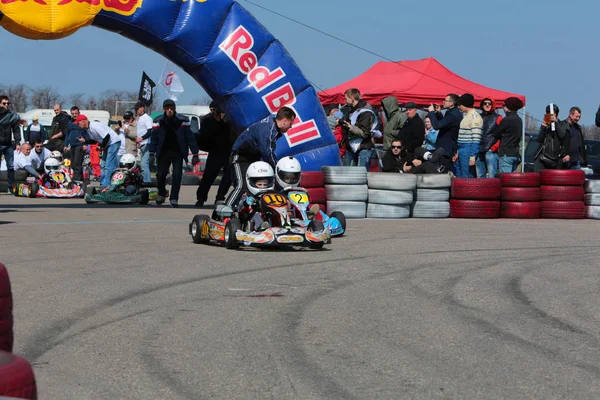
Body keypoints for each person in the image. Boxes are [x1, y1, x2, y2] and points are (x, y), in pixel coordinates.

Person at [224, 106, 296, 211]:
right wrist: (277, 169)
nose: (291, 127)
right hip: (240, 157)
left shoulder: (272, 126)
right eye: (290, 123)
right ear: (284, 121)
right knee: (242, 185)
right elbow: (267, 153)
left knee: (259, 185)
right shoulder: (268, 129)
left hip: (254, 157)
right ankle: (225, 212)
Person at [147, 99, 200, 207]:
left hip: (178, 152)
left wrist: (195, 154)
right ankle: (161, 193)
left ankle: (174, 198)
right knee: (161, 175)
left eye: (171, 108)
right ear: (164, 109)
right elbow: (154, 138)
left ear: (174, 109)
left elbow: (190, 138)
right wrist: (151, 153)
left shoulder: (183, 120)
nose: (169, 110)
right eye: (167, 108)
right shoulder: (158, 121)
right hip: (164, 152)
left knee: (177, 175)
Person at [195, 102, 235, 208]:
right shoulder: (207, 121)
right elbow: (203, 135)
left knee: (227, 177)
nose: (213, 112)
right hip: (215, 152)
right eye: (211, 109)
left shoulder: (230, 120)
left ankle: (220, 197)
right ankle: (201, 198)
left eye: (215, 110)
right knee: (208, 176)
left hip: (228, 152)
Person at [74, 114, 121, 186]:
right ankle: (102, 183)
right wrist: (85, 141)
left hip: (114, 142)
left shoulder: (94, 126)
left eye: (78, 123)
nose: (77, 124)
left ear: (83, 121)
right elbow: (94, 141)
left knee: (109, 165)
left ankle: (107, 185)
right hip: (108, 144)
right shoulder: (88, 129)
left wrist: (101, 147)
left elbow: (107, 136)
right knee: (103, 165)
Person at [341, 88, 378, 167]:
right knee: (350, 175)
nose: (345, 101)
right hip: (351, 147)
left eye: (346, 99)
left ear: (352, 98)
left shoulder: (365, 112)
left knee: (361, 175)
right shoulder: (351, 110)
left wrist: (350, 127)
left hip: (363, 147)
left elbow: (364, 133)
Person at [427, 94, 463, 174]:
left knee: (442, 174)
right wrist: (438, 114)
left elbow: (436, 126)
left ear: (451, 103)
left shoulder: (453, 114)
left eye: (445, 100)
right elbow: (445, 125)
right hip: (445, 148)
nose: (443, 102)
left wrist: (431, 112)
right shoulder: (451, 112)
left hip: (446, 149)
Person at [237, 161, 276, 231]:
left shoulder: (271, 195)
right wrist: (246, 202)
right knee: (256, 212)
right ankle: (261, 227)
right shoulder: (247, 195)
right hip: (250, 218)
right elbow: (239, 208)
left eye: (265, 185)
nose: (262, 187)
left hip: (268, 215)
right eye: (260, 185)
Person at [490, 97, 524, 173]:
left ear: (509, 107)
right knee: (513, 180)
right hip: (515, 153)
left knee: (505, 180)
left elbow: (496, 133)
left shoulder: (507, 119)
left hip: (506, 153)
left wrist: (501, 135)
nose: (503, 107)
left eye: (504, 105)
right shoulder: (519, 119)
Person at [455, 94, 483, 178]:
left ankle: (467, 191)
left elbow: (476, 139)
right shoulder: (466, 116)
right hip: (461, 148)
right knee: (459, 174)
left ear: (465, 104)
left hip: (468, 149)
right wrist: (458, 152)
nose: (458, 107)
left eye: (459, 105)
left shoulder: (475, 117)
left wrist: (472, 157)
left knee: (466, 176)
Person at [0, 95, 23, 190]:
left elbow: (16, 129)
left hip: (8, 144)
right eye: (4, 103)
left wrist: (18, 143)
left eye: (8, 103)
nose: (6, 105)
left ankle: (10, 187)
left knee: (10, 166)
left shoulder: (11, 115)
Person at [476, 98, 503, 178]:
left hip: (490, 151)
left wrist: (493, 148)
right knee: (480, 176)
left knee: (492, 176)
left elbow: (502, 135)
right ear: (482, 105)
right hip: (479, 150)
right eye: (485, 103)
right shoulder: (479, 117)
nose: (487, 105)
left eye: (489, 103)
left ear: (493, 105)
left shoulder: (498, 118)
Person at [64, 106, 88, 182]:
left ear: (79, 113)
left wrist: (85, 144)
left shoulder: (82, 122)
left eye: (76, 113)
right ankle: (80, 179)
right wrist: (65, 144)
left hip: (79, 145)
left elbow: (87, 134)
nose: (74, 115)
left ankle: (76, 180)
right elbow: (67, 134)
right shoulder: (70, 123)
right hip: (72, 145)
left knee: (77, 163)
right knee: (73, 164)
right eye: (73, 113)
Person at [134, 101, 154, 183]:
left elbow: (150, 131)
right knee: (142, 165)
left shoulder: (147, 118)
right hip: (142, 144)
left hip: (147, 144)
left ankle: (147, 182)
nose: (136, 111)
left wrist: (141, 138)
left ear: (142, 108)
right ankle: (144, 181)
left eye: (137, 109)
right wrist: (139, 142)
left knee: (144, 164)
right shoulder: (140, 119)